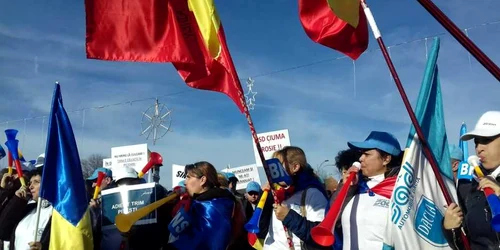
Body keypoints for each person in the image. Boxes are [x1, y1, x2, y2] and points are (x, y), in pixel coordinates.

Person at [443, 111, 500, 249]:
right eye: (476, 142)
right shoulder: (471, 186)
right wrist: (451, 229)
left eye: (486, 140)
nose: (479, 148)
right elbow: (466, 242)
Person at [339, 131, 402, 250]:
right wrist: (346, 188)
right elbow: (333, 221)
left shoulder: (401, 190)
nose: (361, 158)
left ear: (386, 159)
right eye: (361, 154)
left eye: (367, 154)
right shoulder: (356, 186)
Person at [263, 146, 329, 250]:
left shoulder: (312, 193)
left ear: (295, 167)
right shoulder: (280, 194)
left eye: (279, 165)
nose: (274, 170)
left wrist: (288, 216)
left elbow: (321, 235)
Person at [168, 161, 244, 250]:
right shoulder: (199, 203)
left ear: (202, 180)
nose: (185, 182)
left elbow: (204, 242)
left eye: (188, 177)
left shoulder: (213, 207)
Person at [0, 167, 52, 250]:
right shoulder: (28, 209)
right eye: (30, 183)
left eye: (36, 182)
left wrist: (44, 247)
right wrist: (17, 200)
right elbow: (3, 231)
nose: (31, 186)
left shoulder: (58, 213)